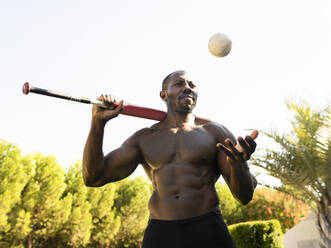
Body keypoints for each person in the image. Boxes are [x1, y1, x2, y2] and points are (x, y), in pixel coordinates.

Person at [82, 70, 258, 248]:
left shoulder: (214, 132)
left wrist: (239, 165)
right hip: (161, 234)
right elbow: (93, 177)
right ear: (163, 94)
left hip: (207, 229)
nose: (187, 88)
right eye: (179, 84)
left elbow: (244, 196)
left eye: (192, 85)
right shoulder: (144, 138)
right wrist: (98, 123)